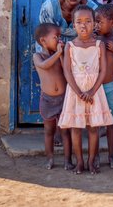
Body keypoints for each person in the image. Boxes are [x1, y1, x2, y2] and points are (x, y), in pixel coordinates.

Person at [58, 5, 113, 175]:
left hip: (94, 91)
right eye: (79, 22)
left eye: (88, 21)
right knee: (76, 127)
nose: (84, 26)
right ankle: (79, 162)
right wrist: (78, 92)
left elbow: (103, 71)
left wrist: (91, 92)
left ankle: (91, 161)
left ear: (94, 24)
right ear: (73, 25)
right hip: (75, 91)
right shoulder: (70, 46)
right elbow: (67, 71)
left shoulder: (99, 45)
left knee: (93, 127)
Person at [32, 23, 74, 171]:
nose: (59, 40)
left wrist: (61, 55)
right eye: (56, 37)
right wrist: (57, 54)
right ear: (43, 41)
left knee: (65, 131)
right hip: (48, 100)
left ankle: (67, 160)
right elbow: (44, 65)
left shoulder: (59, 55)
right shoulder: (37, 56)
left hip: (63, 99)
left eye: (60, 37)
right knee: (49, 130)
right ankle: (50, 158)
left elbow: (66, 69)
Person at [94, 4, 113, 169]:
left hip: (111, 86)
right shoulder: (94, 40)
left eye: (99, 22)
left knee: (111, 124)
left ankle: (112, 156)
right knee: (95, 125)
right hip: (95, 88)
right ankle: (95, 155)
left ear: (112, 23)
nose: (96, 25)